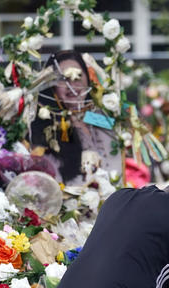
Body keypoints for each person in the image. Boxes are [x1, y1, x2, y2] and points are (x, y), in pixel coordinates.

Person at [30, 50, 120, 186]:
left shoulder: (97, 116)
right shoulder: (44, 124)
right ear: (52, 86)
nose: (72, 86)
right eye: (64, 79)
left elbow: (121, 145)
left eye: (78, 76)